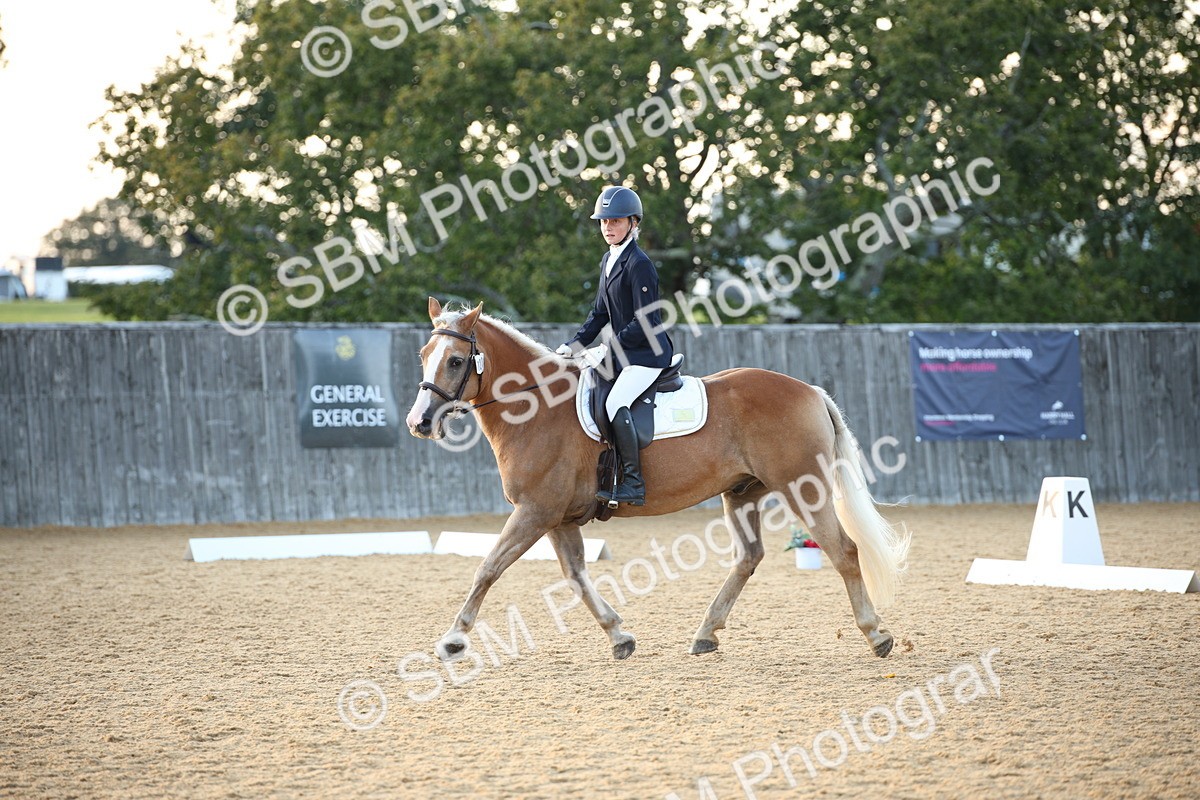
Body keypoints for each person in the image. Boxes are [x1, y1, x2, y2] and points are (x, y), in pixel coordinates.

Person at [557, 186, 674, 507]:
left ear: (633, 223)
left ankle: (634, 483)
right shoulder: (609, 260)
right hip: (623, 353)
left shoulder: (639, 264)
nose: (608, 227)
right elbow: (600, 313)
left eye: (616, 221)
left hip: (647, 355)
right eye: (603, 222)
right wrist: (575, 344)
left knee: (614, 403)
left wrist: (608, 349)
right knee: (586, 389)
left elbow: (646, 322)